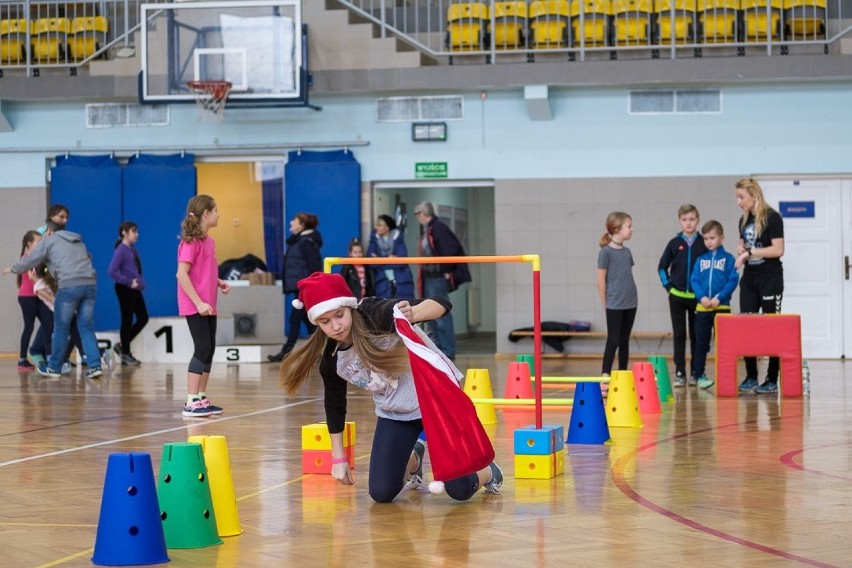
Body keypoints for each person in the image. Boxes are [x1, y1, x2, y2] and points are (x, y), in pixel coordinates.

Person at [278, 271, 502, 503]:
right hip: (396, 414)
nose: (335, 326)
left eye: (339, 315)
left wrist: (414, 313)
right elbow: (335, 406)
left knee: (460, 490)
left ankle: (488, 472)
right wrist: (338, 457)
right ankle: (414, 458)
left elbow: (442, 304)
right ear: (317, 323)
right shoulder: (332, 359)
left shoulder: (376, 314)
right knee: (381, 493)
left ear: (349, 307)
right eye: (325, 322)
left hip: (435, 404)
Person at [3, 221, 103, 379]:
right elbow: (88, 257)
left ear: (49, 231)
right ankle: (95, 365)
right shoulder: (78, 242)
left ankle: (54, 367)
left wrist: (12, 269)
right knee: (86, 327)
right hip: (90, 284)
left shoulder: (49, 241)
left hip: (70, 285)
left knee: (60, 328)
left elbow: (31, 259)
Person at [176, 194, 231, 417]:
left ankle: (200, 396)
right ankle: (190, 401)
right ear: (206, 214)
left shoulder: (209, 241)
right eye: (216, 210)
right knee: (201, 348)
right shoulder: (190, 242)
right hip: (196, 305)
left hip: (209, 304)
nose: (219, 214)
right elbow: (182, 274)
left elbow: (203, 271)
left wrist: (218, 282)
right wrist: (198, 302)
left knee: (209, 348)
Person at [734, 177, 785, 394]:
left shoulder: (773, 218)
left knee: (771, 326)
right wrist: (741, 250)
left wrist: (751, 252)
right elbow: (744, 244)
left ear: (754, 196)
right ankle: (751, 376)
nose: (738, 201)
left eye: (741, 197)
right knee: (747, 324)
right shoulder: (744, 220)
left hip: (770, 278)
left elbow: (778, 250)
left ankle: (772, 379)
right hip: (750, 278)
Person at [657, 204, 707, 387]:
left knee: (697, 335)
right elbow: (662, 267)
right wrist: (668, 287)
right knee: (679, 334)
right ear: (680, 221)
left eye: (692, 219)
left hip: (698, 298)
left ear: (698, 220)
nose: (688, 223)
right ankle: (680, 372)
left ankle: (696, 371)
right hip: (677, 297)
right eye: (685, 220)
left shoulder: (704, 243)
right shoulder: (674, 243)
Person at [414, 202, 471, 360]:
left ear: (422, 213)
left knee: (440, 314)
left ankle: (446, 350)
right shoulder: (431, 229)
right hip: (429, 277)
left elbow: (451, 250)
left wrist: (446, 270)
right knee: (430, 314)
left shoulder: (438, 228)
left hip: (436, 277)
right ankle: (437, 349)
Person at [689, 220, 739, 390]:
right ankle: (698, 375)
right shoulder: (700, 260)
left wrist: (719, 297)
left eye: (712, 238)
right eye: (706, 239)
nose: (709, 241)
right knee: (701, 343)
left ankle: (726, 377)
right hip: (702, 309)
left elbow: (733, 280)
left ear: (722, 238)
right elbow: (694, 280)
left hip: (722, 309)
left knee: (724, 344)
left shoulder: (729, 259)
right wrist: (701, 296)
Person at [268, 212, 323, 362]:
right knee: (308, 322)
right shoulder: (299, 241)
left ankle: (285, 353)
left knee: (294, 319)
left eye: (294, 221)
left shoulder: (306, 243)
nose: (291, 223)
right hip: (300, 289)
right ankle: (321, 351)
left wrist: (311, 287)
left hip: (304, 290)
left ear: (301, 225)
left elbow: (315, 267)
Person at [596, 211, 638, 377]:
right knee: (613, 340)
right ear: (617, 229)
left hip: (631, 302)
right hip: (614, 303)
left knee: (624, 340)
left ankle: (622, 374)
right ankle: (605, 374)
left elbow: (626, 275)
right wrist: (605, 304)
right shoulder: (605, 253)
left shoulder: (627, 252)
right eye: (629, 226)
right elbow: (600, 281)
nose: (632, 229)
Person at [108, 221, 148, 366]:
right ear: (124, 233)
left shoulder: (133, 250)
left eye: (137, 231)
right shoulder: (121, 250)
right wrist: (128, 282)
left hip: (134, 290)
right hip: (125, 289)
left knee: (143, 317)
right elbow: (112, 271)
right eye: (133, 231)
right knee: (127, 320)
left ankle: (122, 346)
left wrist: (139, 284)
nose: (136, 234)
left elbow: (137, 269)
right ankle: (125, 353)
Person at [13, 231, 49, 371]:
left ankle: (50, 357)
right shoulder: (26, 258)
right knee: (29, 327)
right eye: (38, 242)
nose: (40, 245)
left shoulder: (38, 258)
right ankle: (22, 360)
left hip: (38, 296)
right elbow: (37, 274)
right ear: (29, 244)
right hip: (27, 297)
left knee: (48, 324)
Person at [367, 214, 415, 300]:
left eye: (380, 225)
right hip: (382, 283)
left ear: (387, 227)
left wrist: (380, 260)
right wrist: (389, 258)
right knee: (385, 310)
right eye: (376, 225)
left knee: (403, 310)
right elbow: (371, 263)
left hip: (402, 282)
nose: (376, 227)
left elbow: (402, 261)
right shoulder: (373, 241)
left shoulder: (399, 239)